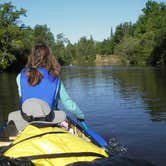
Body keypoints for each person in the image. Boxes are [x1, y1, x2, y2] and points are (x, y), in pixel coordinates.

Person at [8, 44, 85, 131]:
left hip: (26, 119)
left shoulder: (19, 77)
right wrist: (80, 115)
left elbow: (23, 99)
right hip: (48, 120)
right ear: (50, 58)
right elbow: (68, 104)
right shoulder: (55, 78)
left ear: (31, 57)